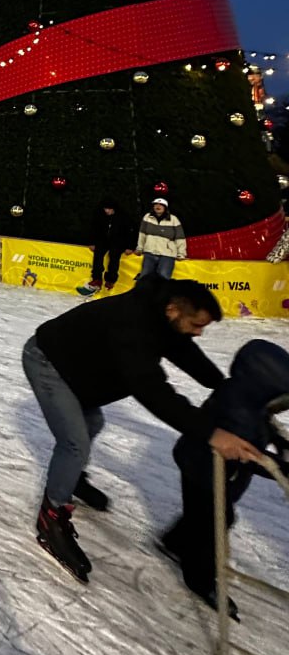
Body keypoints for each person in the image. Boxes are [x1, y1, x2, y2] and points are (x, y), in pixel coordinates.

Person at [21, 276, 262, 583]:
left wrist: (224, 386)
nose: (199, 333)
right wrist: (213, 434)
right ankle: (51, 518)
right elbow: (153, 391)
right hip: (47, 362)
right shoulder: (133, 325)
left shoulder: (162, 313)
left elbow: (185, 351)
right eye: (197, 325)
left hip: (77, 368)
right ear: (174, 310)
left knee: (93, 423)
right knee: (75, 442)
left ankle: (71, 478)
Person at [159, 339, 288, 618]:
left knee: (202, 515)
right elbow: (250, 455)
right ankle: (200, 580)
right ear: (262, 387)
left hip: (205, 466)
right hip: (203, 470)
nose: (281, 408)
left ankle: (174, 541)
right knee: (215, 522)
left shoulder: (244, 398)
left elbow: (265, 424)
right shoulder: (240, 414)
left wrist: (280, 441)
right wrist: (282, 468)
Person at [85, 198, 135, 292]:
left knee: (114, 257)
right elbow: (94, 229)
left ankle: (110, 279)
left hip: (118, 241)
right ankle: (97, 279)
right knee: (98, 255)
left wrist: (130, 246)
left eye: (109, 209)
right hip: (103, 240)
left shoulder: (123, 217)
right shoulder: (100, 216)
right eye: (105, 209)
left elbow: (129, 232)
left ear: (113, 209)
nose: (107, 211)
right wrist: (91, 242)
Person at [136, 197, 186, 280]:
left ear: (165, 207)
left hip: (167, 255)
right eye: (156, 204)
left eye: (161, 205)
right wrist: (140, 248)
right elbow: (142, 234)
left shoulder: (173, 220)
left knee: (163, 277)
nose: (158, 206)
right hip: (150, 252)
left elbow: (180, 238)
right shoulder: (147, 217)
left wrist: (181, 253)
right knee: (144, 278)